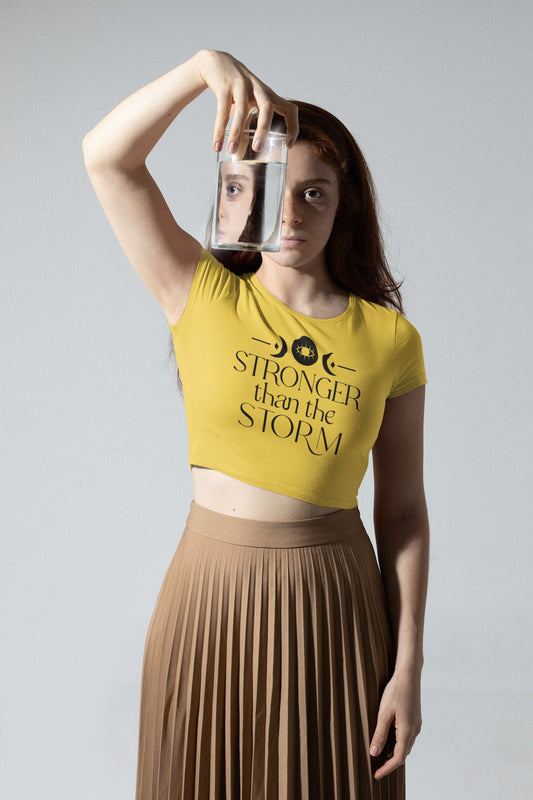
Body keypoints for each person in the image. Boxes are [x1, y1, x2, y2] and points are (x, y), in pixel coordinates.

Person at [83, 49, 429, 800]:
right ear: (237, 192)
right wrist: (201, 69)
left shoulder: (389, 341)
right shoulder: (199, 291)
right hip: (208, 598)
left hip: (331, 609)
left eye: (314, 193)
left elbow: (401, 512)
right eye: (267, 187)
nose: (289, 214)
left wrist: (407, 669)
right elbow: (107, 159)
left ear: (345, 205)